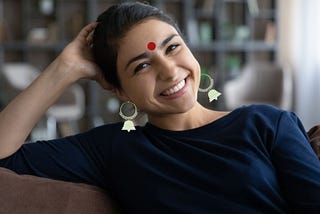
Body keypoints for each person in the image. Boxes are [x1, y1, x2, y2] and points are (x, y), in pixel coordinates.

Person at [0, 1, 320, 213]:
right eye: (141, 66)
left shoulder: (268, 123)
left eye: (173, 47)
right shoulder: (114, 149)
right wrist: (65, 67)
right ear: (119, 90)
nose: (168, 70)